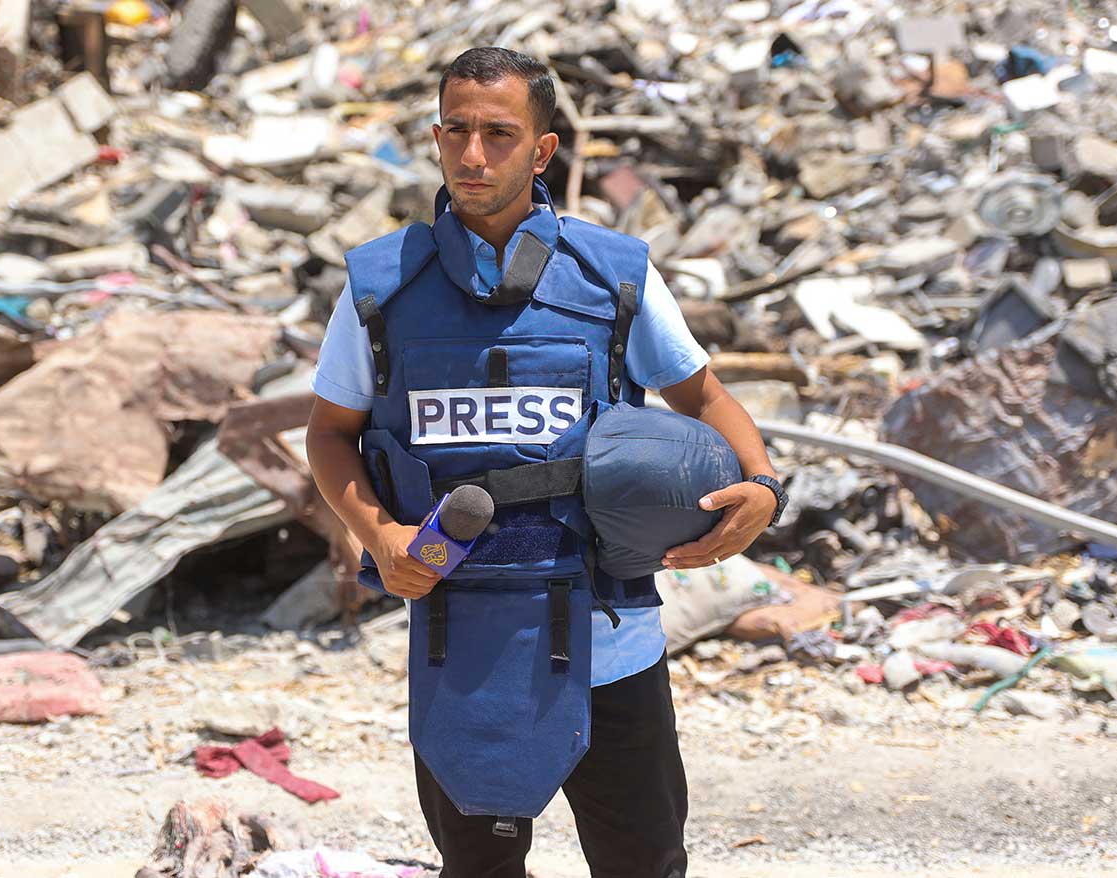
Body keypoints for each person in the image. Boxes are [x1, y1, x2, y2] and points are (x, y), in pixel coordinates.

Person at [305, 47, 786, 878]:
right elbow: (329, 435)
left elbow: (705, 398)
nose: (473, 155)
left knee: (644, 866)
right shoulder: (381, 285)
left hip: (612, 640)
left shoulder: (612, 273)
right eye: (456, 131)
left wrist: (762, 490)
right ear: (435, 136)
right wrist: (379, 537)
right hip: (464, 643)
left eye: (498, 133)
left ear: (543, 150)